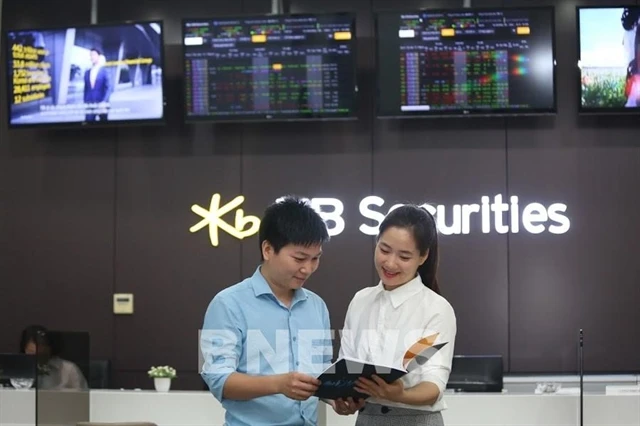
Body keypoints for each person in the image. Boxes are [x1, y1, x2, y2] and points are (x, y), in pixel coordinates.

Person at [200, 196, 344, 426]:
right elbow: (218, 379)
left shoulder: (317, 306)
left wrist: (334, 397)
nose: (307, 268)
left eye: (316, 258)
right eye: (299, 258)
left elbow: (319, 374)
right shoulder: (227, 304)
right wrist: (278, 385)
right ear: (268, 249)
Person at [336, 204, 457, 426]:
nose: (390, 263)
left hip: (416, 420)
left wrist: (398, 395)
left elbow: (434, 385)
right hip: (367, 418)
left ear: (423, 257)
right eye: (384, 250)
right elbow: (346, 365)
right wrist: (343, 398)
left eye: (404, 256)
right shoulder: (360, 301)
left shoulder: (437, 308)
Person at [19, 325, 89, 390]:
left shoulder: (69, 369)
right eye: (31, 352)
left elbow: (83, 398)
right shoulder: (19, 369)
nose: (37, 357)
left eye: (41, 352)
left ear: (49, 347)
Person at [84, 47, 111, 122]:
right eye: (91, 55)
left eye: (94, 55)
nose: (92, 57)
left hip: (101, 104)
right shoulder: (87, 72)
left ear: (98, 56)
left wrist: (104, 102)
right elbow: (86, 89)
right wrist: (85, 102)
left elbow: (108, 88)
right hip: (90, 104)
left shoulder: (104, 71)